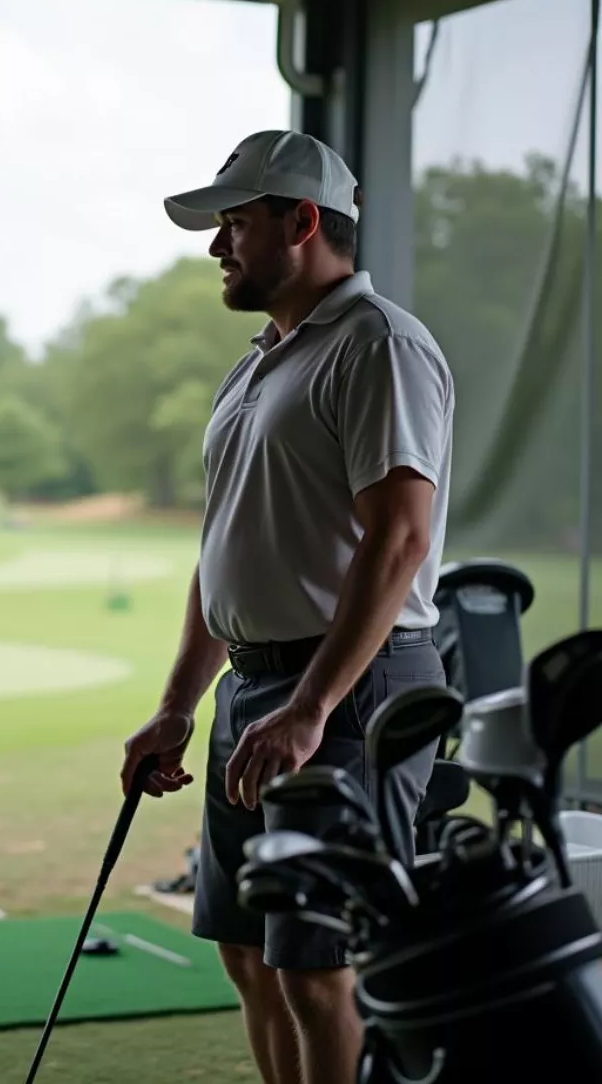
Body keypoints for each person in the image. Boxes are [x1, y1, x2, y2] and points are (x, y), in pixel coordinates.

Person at [120, 130, 454, 1084]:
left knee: (315, 966)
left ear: (302, 221)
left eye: (234, 223)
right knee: (249, 955)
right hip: (254, 693)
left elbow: (398, 539)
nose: (216, 246)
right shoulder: (259, 361)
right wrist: (179, 705)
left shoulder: (378, 344)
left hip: (349, 696)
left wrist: (307, 707)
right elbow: (222, 547)